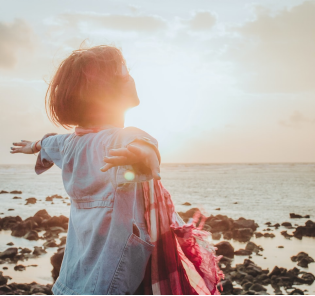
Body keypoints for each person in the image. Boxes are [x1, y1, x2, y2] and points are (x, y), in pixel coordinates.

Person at [11, 45, 222, 296]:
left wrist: (33, 145)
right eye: (124, 72)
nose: (131, 77)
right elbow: (145, 148)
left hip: (78, 273)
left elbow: (50, 143)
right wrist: (142, 156)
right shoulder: (122, 139)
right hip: (119, 274)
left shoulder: (70, 144)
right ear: (103, 91)